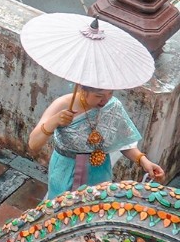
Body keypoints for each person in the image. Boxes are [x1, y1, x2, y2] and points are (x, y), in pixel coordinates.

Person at [29, 86, 165, 200]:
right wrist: (54, 121)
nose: (105, 100)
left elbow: (123, 142)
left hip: (99, 171)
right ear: (83, 89)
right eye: (99, 96)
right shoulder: (63, 105)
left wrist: (144, 161)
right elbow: (33, 144)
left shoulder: (113, 106)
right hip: (66, 170)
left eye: (110, 93)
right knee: (62, 211)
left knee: (96, 209)